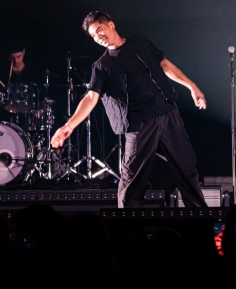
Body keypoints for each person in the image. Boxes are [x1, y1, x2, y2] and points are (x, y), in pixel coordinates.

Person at [50, 11, 208, 208]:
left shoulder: (140, 42)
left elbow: (164, 65)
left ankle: (200, 222)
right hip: (139, 124)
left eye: (99, 30)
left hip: (167, 113)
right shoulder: (102, 66)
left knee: (186, 168)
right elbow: (91, 97)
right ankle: (127, 227)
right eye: (93, 35)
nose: (98, 37)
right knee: (132, 180)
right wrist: (68, 126)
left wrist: (192, 86)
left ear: (111, 25)